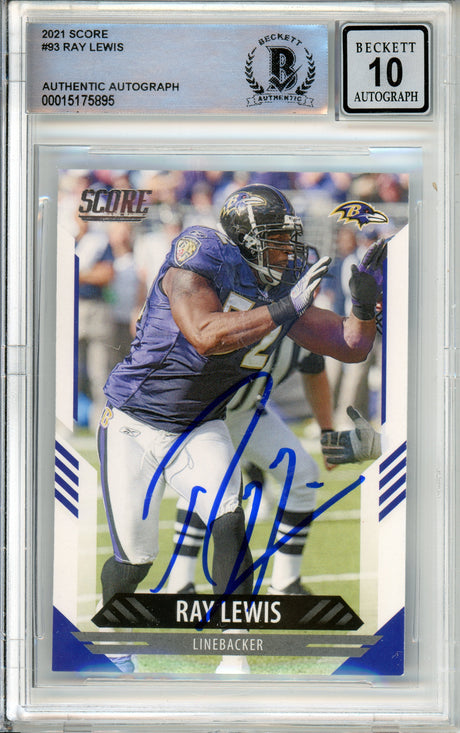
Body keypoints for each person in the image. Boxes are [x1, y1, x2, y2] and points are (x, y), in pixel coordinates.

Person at [97, 183, 384, 671]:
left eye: (289, 238)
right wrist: (286, 307)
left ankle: (234, 653)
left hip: (200, 423)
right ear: (247, 239)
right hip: (134, 420)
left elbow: (350, 346)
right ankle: (113, 640)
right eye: (278, 238)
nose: (288, 250)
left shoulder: (278, 283)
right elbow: (204, 334)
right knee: (135, 561)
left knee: (229, 516)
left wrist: (361, 304)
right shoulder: (201, 254)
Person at [167, 336, 335, 598]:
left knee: (302, 474)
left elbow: (315, 370)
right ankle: (179, 584)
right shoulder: (250, 313)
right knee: (205, 481)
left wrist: (327, 432)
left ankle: (285, 584)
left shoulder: (305, 328)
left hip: (242, 412)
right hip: (202, 409)